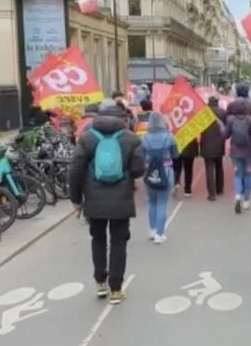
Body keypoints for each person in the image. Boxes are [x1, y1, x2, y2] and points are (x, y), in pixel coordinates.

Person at [68, 99, 145, 304]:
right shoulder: (131, 138)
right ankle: (116, 288)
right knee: (119, 242)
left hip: (94, 200)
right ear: (122, 118)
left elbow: (75, 170)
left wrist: (76, 198)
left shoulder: (87, 138)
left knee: (98, 239)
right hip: (121, 199)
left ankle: (100, 282)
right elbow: (139, 170)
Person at [141, 112, 177, 244]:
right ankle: (160, 234)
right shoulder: (170, 137)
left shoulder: (144, 138)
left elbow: (141, 155)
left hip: (149, 171)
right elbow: (176, 154)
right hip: (166, 170)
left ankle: (152, 229)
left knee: (152, 202)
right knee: (162, 202)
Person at [225, 97, 251, 213]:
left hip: (235, 152)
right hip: (249, 152)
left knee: (237, 174)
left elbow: (226, 135)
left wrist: (221, 129)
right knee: (247, 174)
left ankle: (237, 196)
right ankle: (246, 200)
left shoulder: (230, 119)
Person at [200, 96, 227, 201]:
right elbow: (226, 127)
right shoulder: (223, 112)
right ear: (217, 102)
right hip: (219, 143)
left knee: (209, 168)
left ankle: (211, 193)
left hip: (206, 143)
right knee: (219, 166)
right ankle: (220, 189)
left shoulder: (203, 113)